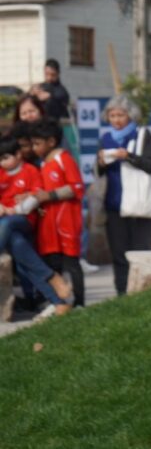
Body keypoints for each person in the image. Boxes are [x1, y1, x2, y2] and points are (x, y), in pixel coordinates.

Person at [0, 137, 73, 320]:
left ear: (18, 155)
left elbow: (35, 199)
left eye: (6, 158)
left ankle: (54, 293)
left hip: (24, 219)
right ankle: (58, 299)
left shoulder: (30, 170)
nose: (2, 163)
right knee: (19, 248)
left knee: (7, 224)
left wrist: (13, 210)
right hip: (7, 226)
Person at [96, 95, 151, 295]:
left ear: (130, 115)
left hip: (138, 204)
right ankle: (122, 295)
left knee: (140, 252)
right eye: (112, 115)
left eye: (120, 115)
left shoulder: (141, 135)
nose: (116, 120)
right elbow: (99, 172)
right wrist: (101, 162)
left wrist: (128, 156)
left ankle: (142, 294)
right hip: (114, 204)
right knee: (119, 254)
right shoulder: (106, 138)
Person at [29, 118, 86, 307]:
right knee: (53, 264)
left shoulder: (64, 159)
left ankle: (79, 303)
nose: (34, 148)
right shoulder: (43, 163)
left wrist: (50, 195)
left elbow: (77, 187)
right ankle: (58, 303)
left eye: (37, 143)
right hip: (49, 224)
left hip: (66, 221)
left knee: (71, 263)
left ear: (51, 141)